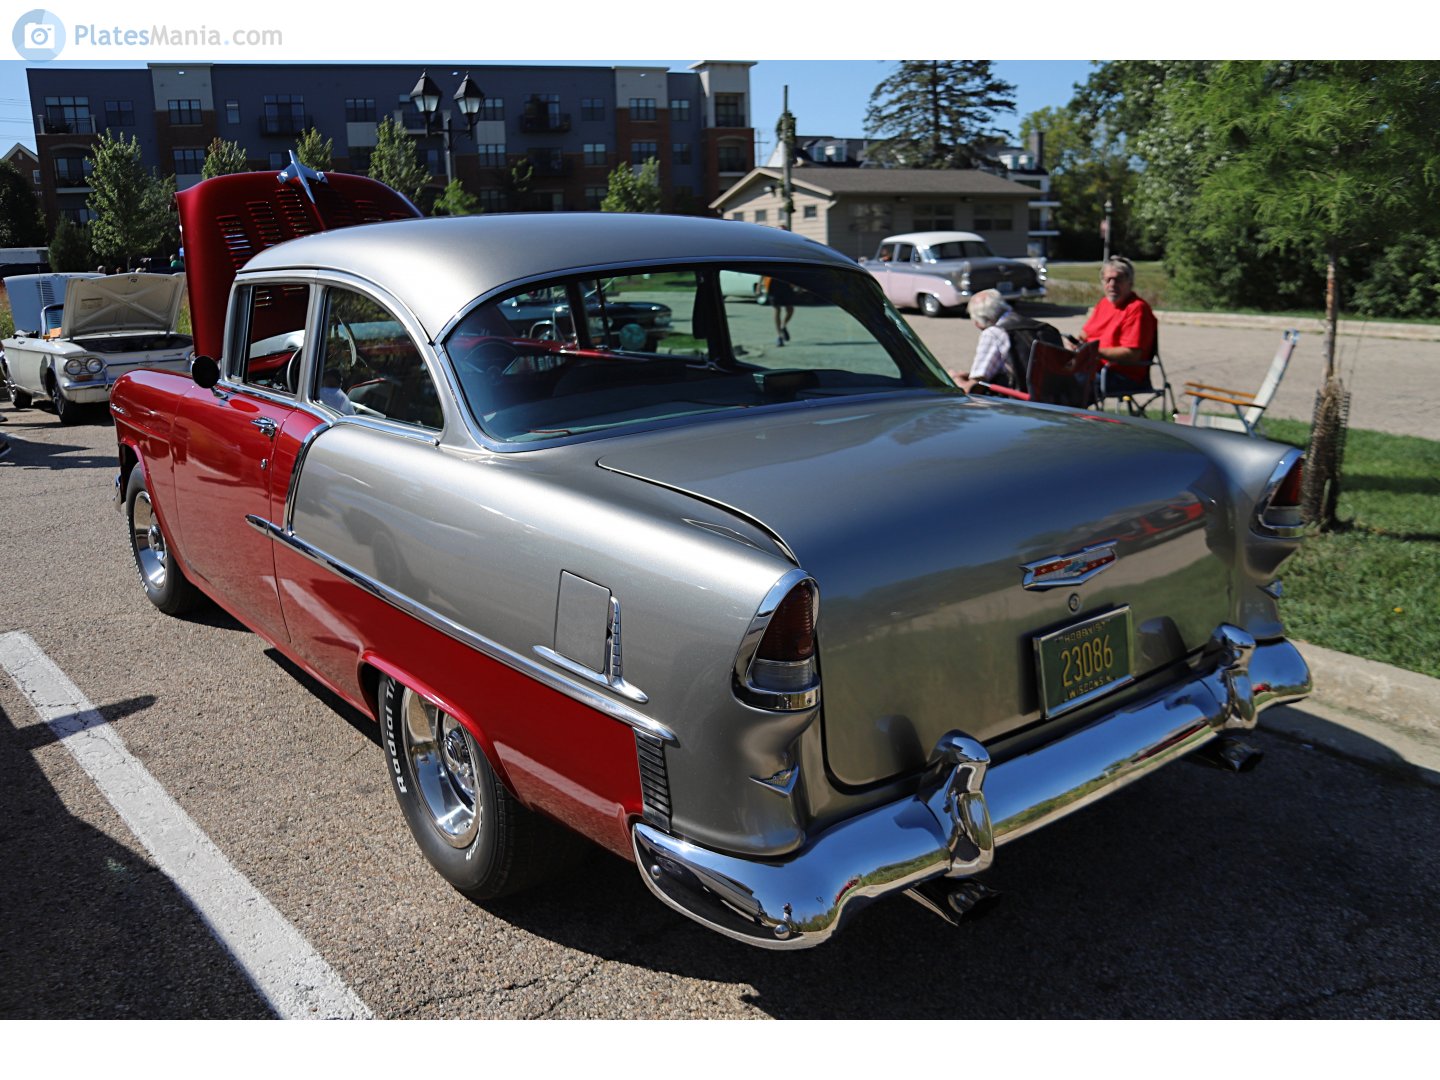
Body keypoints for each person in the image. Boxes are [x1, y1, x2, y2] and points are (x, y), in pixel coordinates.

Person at [953, 289, 1062, 393]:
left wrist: (956, 379)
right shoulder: (1046, 328)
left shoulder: (993, 333)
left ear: (980, 321)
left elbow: (976, 386)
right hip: (1054, 398)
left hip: (1018, 402)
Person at [1081, 256, 1158, 399]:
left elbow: (1132, 355)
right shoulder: (1103, 303)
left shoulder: (1137, 309)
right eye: (1107, 280)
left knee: (1070, 384)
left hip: (1122, 375)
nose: (1112, 284)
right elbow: (1085, 334)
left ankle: (1071, 420)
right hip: (1093, 368)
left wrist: (1094, 352)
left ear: (1130, 283)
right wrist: (1075, 344)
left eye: (1118, 279)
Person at [764, 275, 796, 346]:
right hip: (773, 284)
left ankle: (783, 326)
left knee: (790, 309)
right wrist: (759, 286)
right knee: (777, 309)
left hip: (786, 283)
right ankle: (779, 336)